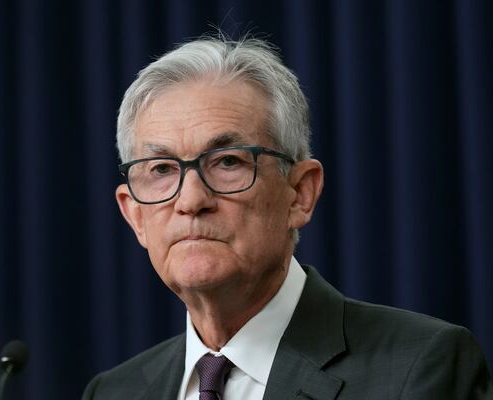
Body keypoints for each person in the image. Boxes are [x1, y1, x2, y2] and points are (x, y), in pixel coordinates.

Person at [82, 35, 492, 399]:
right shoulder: (115, 391)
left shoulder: (420, 366)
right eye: (161, 169)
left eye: (227, 161)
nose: (191, 199)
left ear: (300, 193)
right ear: (134, 215)